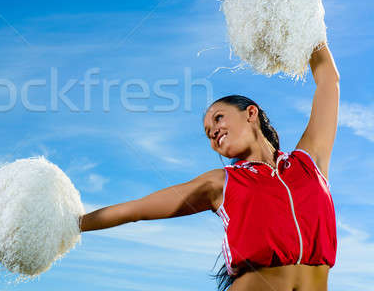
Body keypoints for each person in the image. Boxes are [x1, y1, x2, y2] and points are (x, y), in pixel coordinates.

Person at [78, 43, 340, 291]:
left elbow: (328, 80)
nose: (213, 132)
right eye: (208, 133)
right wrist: (72, 225)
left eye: (218, 118)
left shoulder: (309, 162)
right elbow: (132, 210)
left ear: (251, 113)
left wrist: (308, 21)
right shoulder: (220, 183)